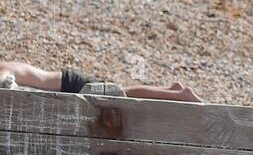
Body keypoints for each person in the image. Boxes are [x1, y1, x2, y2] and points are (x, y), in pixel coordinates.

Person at [0, 60, 201, 103]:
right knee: (123, 91)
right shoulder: (7, 64)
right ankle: (170, 90)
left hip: (69, 85)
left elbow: (5, 82)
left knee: (121, 95)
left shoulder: (4, 67)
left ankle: (180, 95)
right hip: (64, 82)